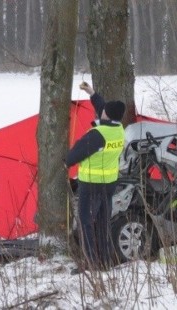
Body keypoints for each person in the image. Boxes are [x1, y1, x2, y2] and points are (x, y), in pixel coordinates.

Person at [66, 83, 126, 271]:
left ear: (107, 115)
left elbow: (76, 153)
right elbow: (103, 107)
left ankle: (91, 262)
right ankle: (105, 261)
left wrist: (65, 162)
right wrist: (92, 93)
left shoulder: (97, 135)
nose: (102, 111)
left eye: (104, 111)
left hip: (92, 185)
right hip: (109, 185)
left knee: (85, 222)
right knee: (102, 223)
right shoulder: (118, 129)